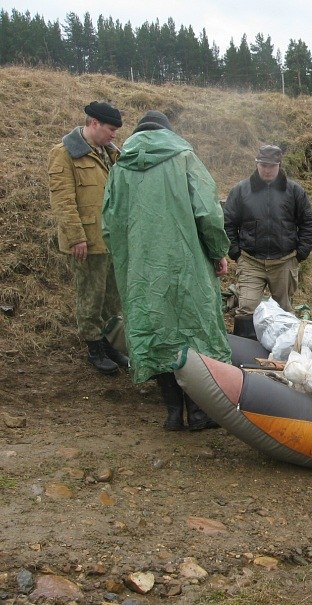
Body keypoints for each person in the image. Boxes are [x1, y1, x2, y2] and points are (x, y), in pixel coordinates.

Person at [102, 111, 230, 431]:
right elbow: (209, 213)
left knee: (154, 332)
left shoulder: (120, 167)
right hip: (188, 265)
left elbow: (109, 224)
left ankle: (173, 413)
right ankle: (199, 414)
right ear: (168, 132)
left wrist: (128, 261)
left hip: (142, 272)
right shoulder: (184, 157)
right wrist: (218, 252)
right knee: (194, 332)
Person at [47, 101, 129, 375]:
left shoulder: (111, 154)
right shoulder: (65, 154)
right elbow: (63, 201)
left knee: (111, 298)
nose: (114, 135)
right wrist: (76, 238)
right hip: (87, 240)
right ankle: (94, 347)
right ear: (93, 123)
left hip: (111, 239)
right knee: (91, 296)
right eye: (110, 129)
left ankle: (108, 343)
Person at [224, 144, 312, 324]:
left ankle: (281, 350)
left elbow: (308, 223)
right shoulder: (241, 190)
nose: (267, 170)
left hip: (284, 262)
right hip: (251, 261)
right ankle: (246, 350)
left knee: (284, 312)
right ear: (256, 164)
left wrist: (301, 253)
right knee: (246, 309)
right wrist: (235, 252)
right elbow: (228, 222)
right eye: (263, 165)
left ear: (279, 165)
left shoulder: (295, 191)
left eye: (272, 166)